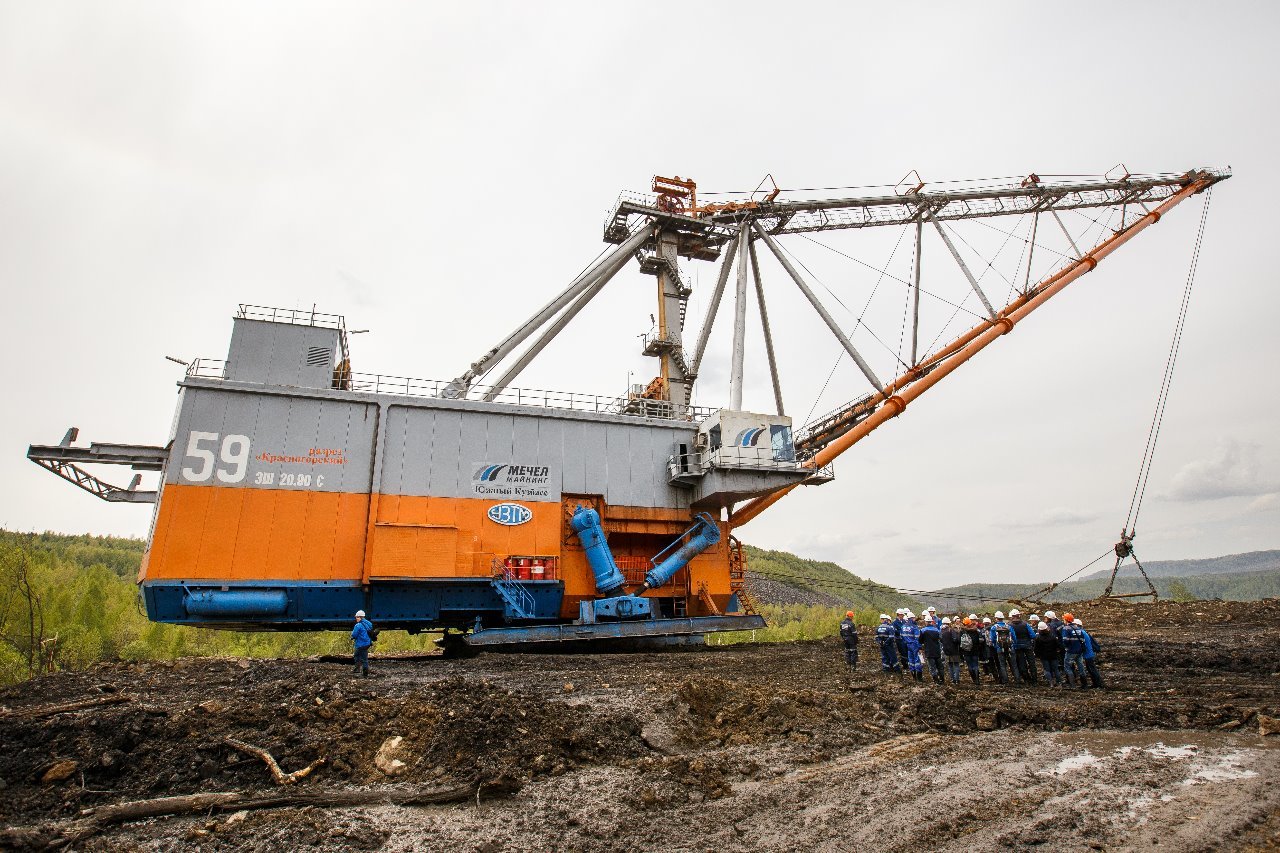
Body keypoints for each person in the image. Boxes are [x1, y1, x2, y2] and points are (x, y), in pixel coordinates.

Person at [1059, 613, 1087, 688]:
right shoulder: (1077, 628)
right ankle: (1084, 684)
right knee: (1080, 666)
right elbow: (1082, 639)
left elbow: (1065, 640)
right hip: (1079, 651)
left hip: (1071, 651)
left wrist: (1065, 647)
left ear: (1066, 620)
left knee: (1067, 666)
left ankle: (1072, 685)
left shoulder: (1066, 628)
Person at [1076, 619, 1105, 689]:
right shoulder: (1084, 632)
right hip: (1090, 653)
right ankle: (1096, 683)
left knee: (1092, 669)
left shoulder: (1081, 633)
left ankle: (1098, 684)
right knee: (1091, 669)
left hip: (1088, 654)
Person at [1033, 622, 1064, 686]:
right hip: (1053, 655)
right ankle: (1059, 682)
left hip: (1044, 656)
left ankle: (1050, 683)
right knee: (1056, 669)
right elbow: (1058, 645)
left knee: (1047, 670)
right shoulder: (1052, 636)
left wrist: (1038, 655)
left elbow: (1036, 648)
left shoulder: (1038, 638)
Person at [989, 612, 1014, 685]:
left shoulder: (994, 627)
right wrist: (1013, 645)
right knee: (1013, 665)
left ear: (996, 618)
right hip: (1009, 648)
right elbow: (1013, 636)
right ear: (1003, 618)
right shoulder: (1008, 626)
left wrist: (996, 646)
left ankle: (1005, 681)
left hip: (999, 648)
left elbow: (992, 639)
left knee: (1002, 665)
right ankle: (1017, 679)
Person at [920, 616, 944, 684]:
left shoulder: (923, 630)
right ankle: (942, 679)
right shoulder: (937, 630)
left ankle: (936, 680)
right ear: (931, 622)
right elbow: (941, 639)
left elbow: (920, 641)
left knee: (932, 667)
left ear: (926, 622)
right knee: (940, 666)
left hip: (929, 651)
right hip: (937, 650)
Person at [939, 617, 962, 685]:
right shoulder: (951, 630)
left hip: (946, 651)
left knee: (950, 665)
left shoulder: (941, 631)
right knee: (956, 665)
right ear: (949, 623)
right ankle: (957, 680)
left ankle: (952, 679)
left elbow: (941, 640)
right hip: (954, 650)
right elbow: (956, 640)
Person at [959, 618, 982, 684]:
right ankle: (977, 680)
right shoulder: (975, 630)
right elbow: (979, 640)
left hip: (966, 651)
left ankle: (974, 679)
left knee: (969, 665)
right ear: (970, 623)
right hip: (975, 651)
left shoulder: (962, 631)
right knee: (975, 665)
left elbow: (959, 641)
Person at [901, 613, 924, 682]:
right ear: (911, 618)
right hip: (915, 645)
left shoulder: (903, 627)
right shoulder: (914, 627)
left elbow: (902, 636)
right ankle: (919, 678)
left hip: (908, 645)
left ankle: (914, 677)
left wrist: (907, 642)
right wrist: (920, 647)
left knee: (911, 660)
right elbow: (918, 638)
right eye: (914, 618)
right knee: (917, 660)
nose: (915, 619)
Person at [351, 609, 374, 678]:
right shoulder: (369, 624)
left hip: (361, 644)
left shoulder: (358, 625)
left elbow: (354, 635)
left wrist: (352, 637)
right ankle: (357, 669)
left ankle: (365, 673)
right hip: (367, 643)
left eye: (357, 617)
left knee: (363, 658)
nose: (356, 619)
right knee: (357, 655)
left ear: (360, 617)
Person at [892, 609, 909, 674]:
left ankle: (907, 663)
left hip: (905, 639)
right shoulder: (895, 622)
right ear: (898, 615)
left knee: (906, 651)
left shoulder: (904, 621)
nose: (902, 616)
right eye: (901, 615)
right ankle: (904, 664)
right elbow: (895, 631)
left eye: (902, 615)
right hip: (899, 639)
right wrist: (901, 632)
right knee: (902, 652)